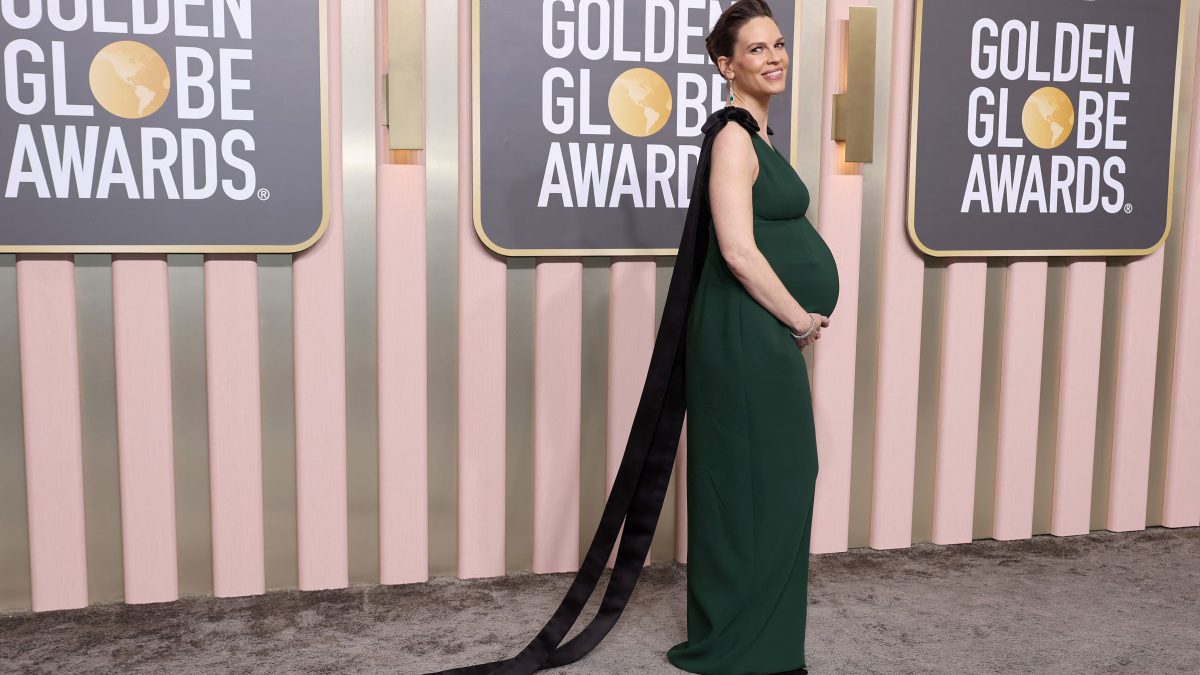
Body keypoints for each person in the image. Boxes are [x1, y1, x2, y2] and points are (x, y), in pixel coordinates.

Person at [425, 1, 836, 673]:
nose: (774, 56)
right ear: (727, 65)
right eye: (757, 49)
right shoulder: (734, 136)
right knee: (758, 480)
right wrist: (797, 315)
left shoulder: (760, 136)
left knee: (779, 475)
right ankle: (744, 643)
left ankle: (756, 631)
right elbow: (736, 250)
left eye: (779, 43)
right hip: (746, 330)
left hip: (759, 329)